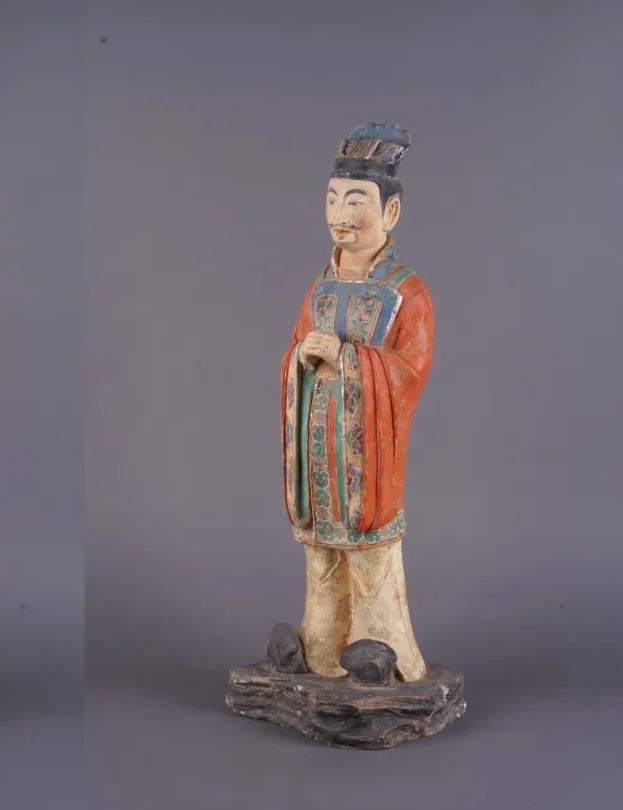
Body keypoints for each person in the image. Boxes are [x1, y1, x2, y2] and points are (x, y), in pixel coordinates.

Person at [280, 123, 433, 682]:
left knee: (371, 559)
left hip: (366, 461)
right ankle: (320, 649)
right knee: (320, 557)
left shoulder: (406, 292)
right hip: (318, 454)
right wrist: (300, 358)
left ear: (390, 212)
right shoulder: (320, 286)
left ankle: (387, 657)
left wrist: (349, 359)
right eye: (331, 199)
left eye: (355, 201)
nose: (339, 214)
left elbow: (410, 371)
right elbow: (295, 349)